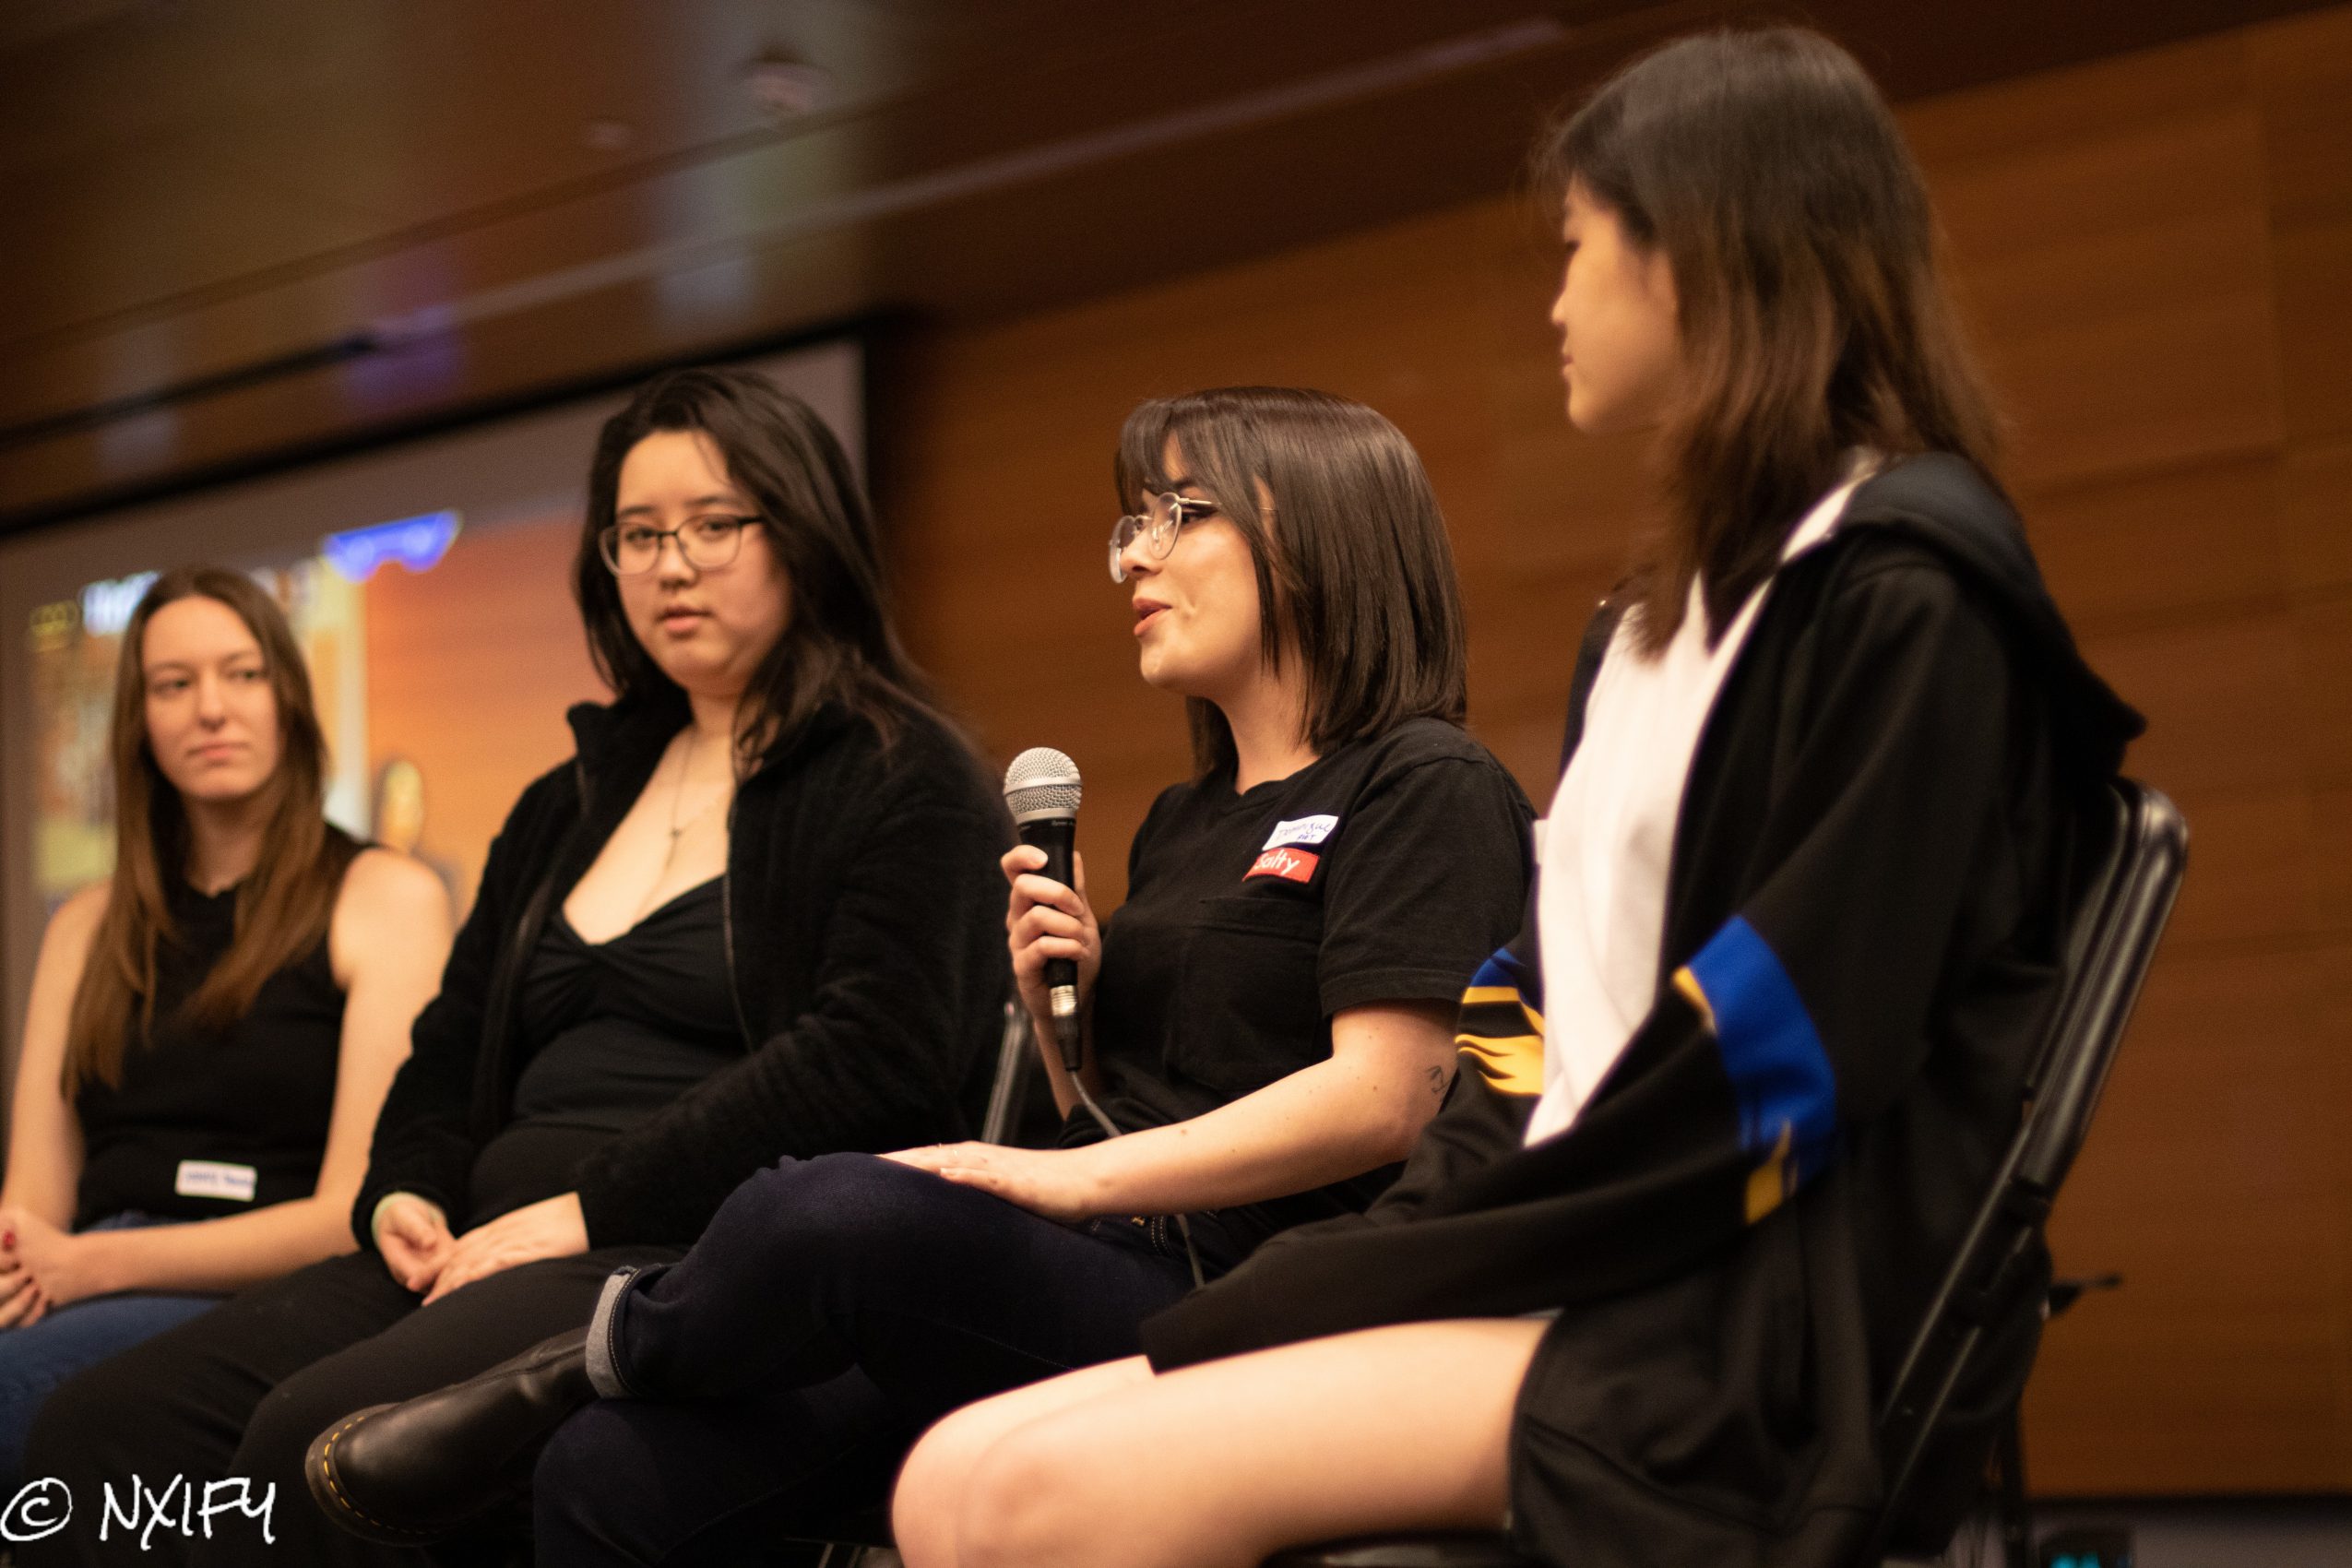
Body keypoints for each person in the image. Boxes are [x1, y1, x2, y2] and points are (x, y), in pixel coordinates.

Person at [889, 30, 2145, 1568]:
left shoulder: (1905, 593)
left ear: (1697, 252)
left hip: (1729, 1326)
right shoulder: (1646, 628)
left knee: (1024, 1496)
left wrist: (1447, 1253)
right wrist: (1417, 1237)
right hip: (1570, 1260)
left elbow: (1785, 1055)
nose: (1554, 301)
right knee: (947, 1476)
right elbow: (1525, 1014)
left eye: (1576, 246)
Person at [303, 386, 1537, 1566]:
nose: (1133, 559)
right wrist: (1061, 1017)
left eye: (1178, 515)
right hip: (1107, 1252)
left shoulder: (1424, 779)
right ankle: (587, 1394)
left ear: (1318, 532)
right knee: (609, 1473)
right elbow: (1110, 1106)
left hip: (1250, 1284)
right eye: (1131, 523)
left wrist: (1063, 1179)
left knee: (827, 1207)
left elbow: (1390, 1095)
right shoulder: (1184, 817)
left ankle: (574, 1362)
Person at [21, 366, 1013, 1567]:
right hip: (483, 1242)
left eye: (713, 524)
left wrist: (588, 1208)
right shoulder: (565, 800)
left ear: (801, 533)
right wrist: (405, 1189)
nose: (671, 565)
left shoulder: (904, 773)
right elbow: (449, 1048)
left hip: (694, 1259)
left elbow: (877, 1062)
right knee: (102, 1428)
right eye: (638, 535)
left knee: (319, 1441)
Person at [0, 568, 449, 1485]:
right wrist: (39, 1261)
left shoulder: (384, 897)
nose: (211, 708)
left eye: (242, 674)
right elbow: (32, 1208)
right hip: (81, 1275)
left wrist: (91, 1264)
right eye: (174, 684)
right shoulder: (84, 925)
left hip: (267, 1294)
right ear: (139, 721)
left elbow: (348, 1214)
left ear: (289, 700)